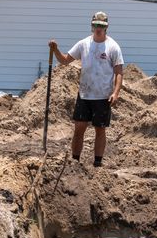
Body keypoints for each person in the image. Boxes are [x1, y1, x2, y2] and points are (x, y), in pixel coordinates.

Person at [48, 11, 124, 167]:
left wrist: (116, 93)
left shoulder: (113, 47)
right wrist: (55, 49)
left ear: (106, 27)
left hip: (103, 95)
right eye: (96, 25)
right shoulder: (83, 44)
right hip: (84, 94)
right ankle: (75, 161)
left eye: (101, 26)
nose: (98, 29)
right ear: (91, 25)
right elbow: (64, 61)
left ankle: (97, 162)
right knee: (79, 128)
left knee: (100, 129)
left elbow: (119, 72)